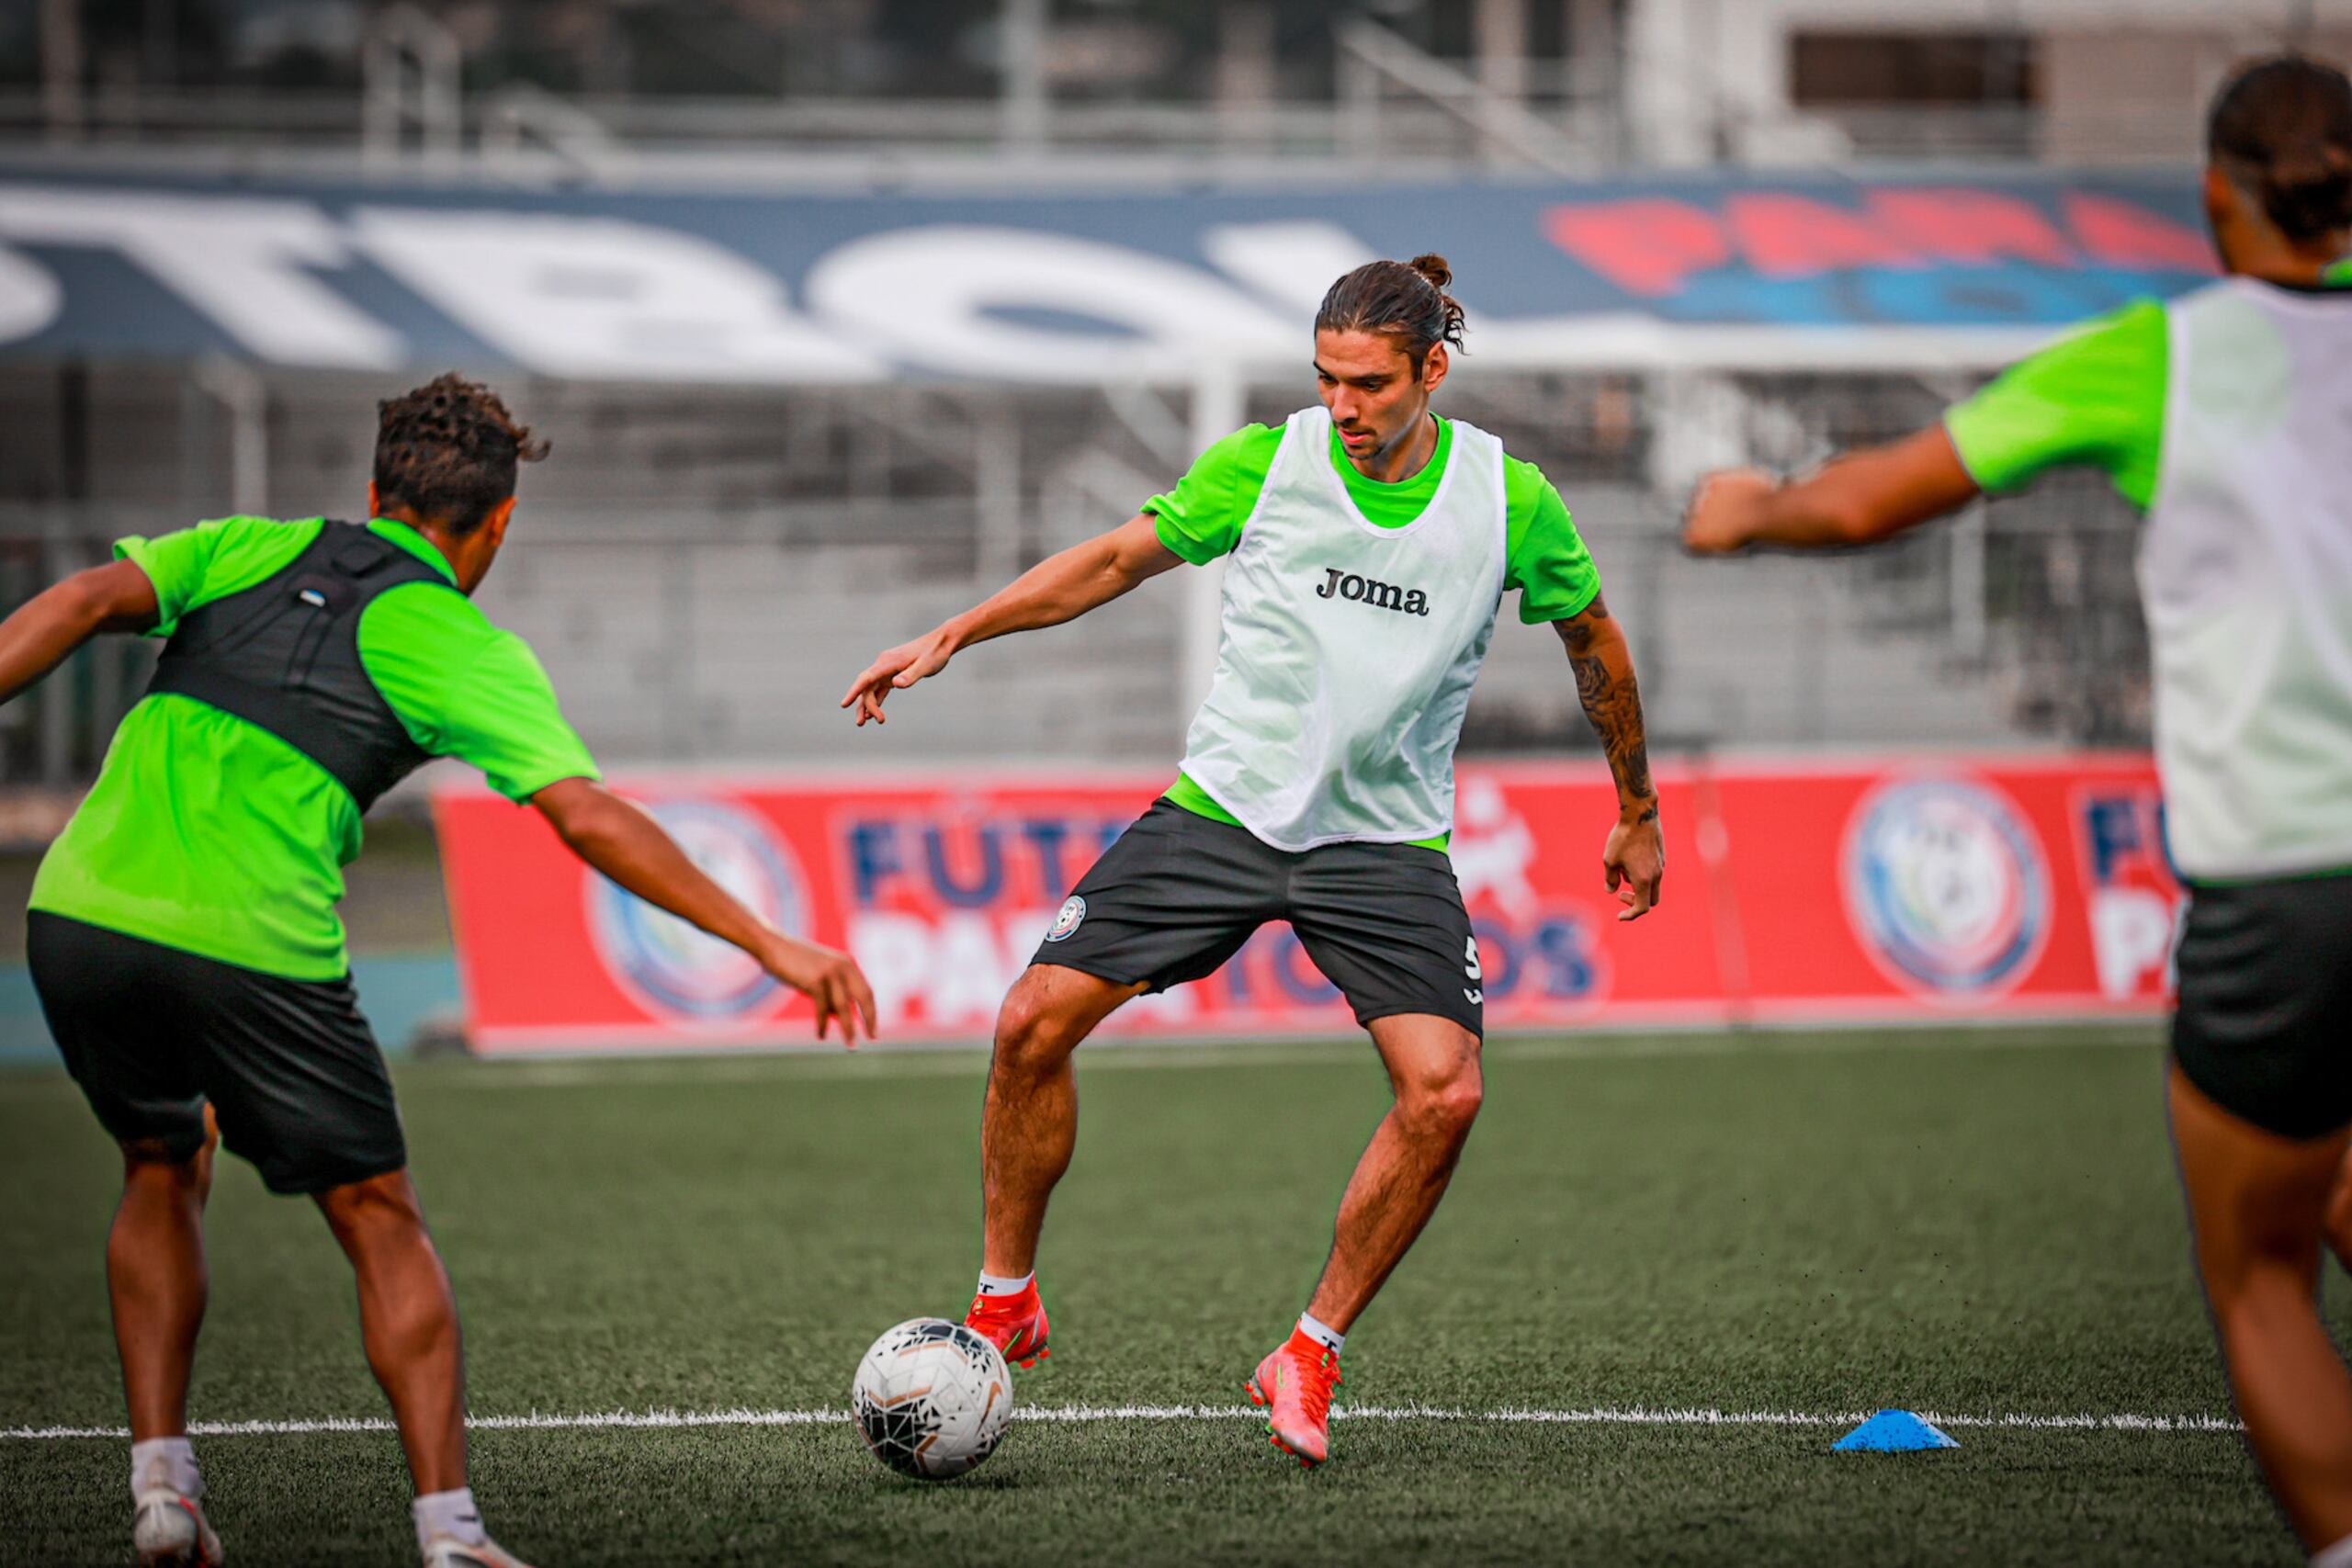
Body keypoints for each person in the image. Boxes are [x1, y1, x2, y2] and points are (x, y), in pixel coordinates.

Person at [6, 374, 876, 1568]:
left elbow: (90, 595)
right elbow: (589, 818)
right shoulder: (462, 646)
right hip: (248, 942)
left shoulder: (246, 545)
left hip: (78, 915)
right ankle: (451, 1534)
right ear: (498, 526)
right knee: (380, 1218)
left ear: (372, 495)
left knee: (161, 1159)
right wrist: (771, 941)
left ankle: (163, 1488)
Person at [1681, 55, 2352, 1562]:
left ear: (2217, 196)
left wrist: (1749, 511)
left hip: (2288, 880)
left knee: (2261, 1268)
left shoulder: (2163, 356)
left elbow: (1874, 498)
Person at [843, 255, 1663, 1469]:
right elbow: (1117, 560)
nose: (1345, 405)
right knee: (1027, 1026)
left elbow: (1592, 639)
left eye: (1372, 383)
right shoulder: (1266, 463)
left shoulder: (1508, 498)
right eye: (1328, 378)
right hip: (1223, 818)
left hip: (1382, 846)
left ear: (1433, 369)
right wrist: (958, 631)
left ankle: (1310, 1349)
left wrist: (1636, 804)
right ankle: (1005, 1295)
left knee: (1447, 1091)